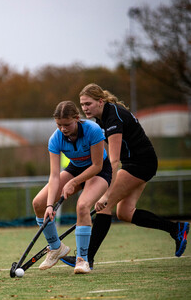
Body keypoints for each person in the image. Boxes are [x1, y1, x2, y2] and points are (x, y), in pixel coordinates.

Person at [78, 83, 189, 267]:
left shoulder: (113, 117)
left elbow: (114, 161)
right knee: (125, 213)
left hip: (140, 164)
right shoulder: (102, 119)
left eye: (88, 104)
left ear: (100, 101)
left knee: (105, 206)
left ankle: (86, 259)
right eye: (82, 105)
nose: (84, 108)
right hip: (138, 163)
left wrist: (105, 194)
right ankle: (176, 228)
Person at [32, 100, 112, 274]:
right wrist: (49, 205)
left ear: (77, 118)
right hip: (75, 169)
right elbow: (54, 176)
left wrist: (74, 182)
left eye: (67, 124)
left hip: (99, 171)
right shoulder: (55, 138)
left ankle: (83, 260)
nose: (63, 129)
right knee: (38, 202)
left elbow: (97, 165)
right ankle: (56, 248)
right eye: (59, 125)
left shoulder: (93, 131)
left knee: (82, 206)